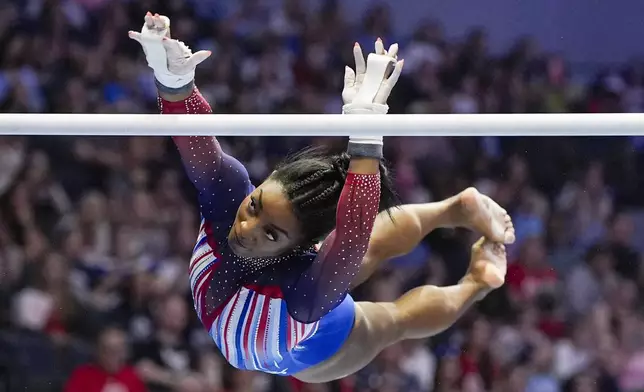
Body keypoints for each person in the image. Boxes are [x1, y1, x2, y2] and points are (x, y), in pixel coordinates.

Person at [129, 13, 515, 383]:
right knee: (370, 254)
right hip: (288, 335)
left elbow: (352, 233)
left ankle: (476, 281)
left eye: (271, 234)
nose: (246, 228)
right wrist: (174, 84)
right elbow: (194, 140)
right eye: (254, 206)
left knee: (395, 320)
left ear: (305, 246)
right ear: (263, 183)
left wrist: (367, 134)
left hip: (313, 342)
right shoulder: (226, 198)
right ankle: (454, 211)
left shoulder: (304, 294)